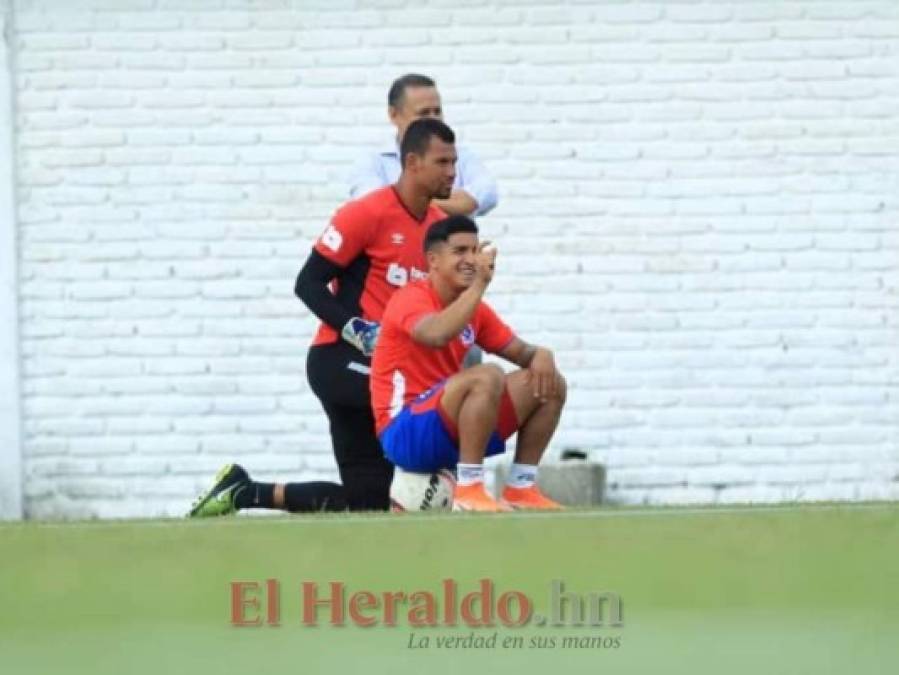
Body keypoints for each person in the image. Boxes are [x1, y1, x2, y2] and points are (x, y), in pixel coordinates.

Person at [188, 118, 458, 517]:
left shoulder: (441, 232)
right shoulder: (364, 213)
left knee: (370, 504)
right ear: (413, 162)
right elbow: (308, 282)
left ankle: (245, 491)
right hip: (340, 361)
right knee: (421, 407)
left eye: (454, 162)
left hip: (388, 370)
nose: (452, 172)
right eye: (443, 162)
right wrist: (356, 329)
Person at [370, 216, 566, 512]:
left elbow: (523, 353)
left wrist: (543, 355)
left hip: (450, 426)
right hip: (404, 432)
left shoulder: (475, 309)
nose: (471, 260)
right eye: (460, 251)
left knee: (549, 384)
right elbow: (435, 334)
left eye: (475, 250)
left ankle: (520, 487)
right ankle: (470, 489)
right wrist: (479, 286)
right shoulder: (409, 297)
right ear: (433, 260)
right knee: (487, 376)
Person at [349, 73, 498, 218]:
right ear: (394, 115)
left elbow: (487, 194)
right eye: (424, 113)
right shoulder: (372, 162)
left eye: (437, 111)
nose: (434, 120)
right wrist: (454, 203)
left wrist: (409, 199)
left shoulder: (462, 156)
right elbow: (373, 206)